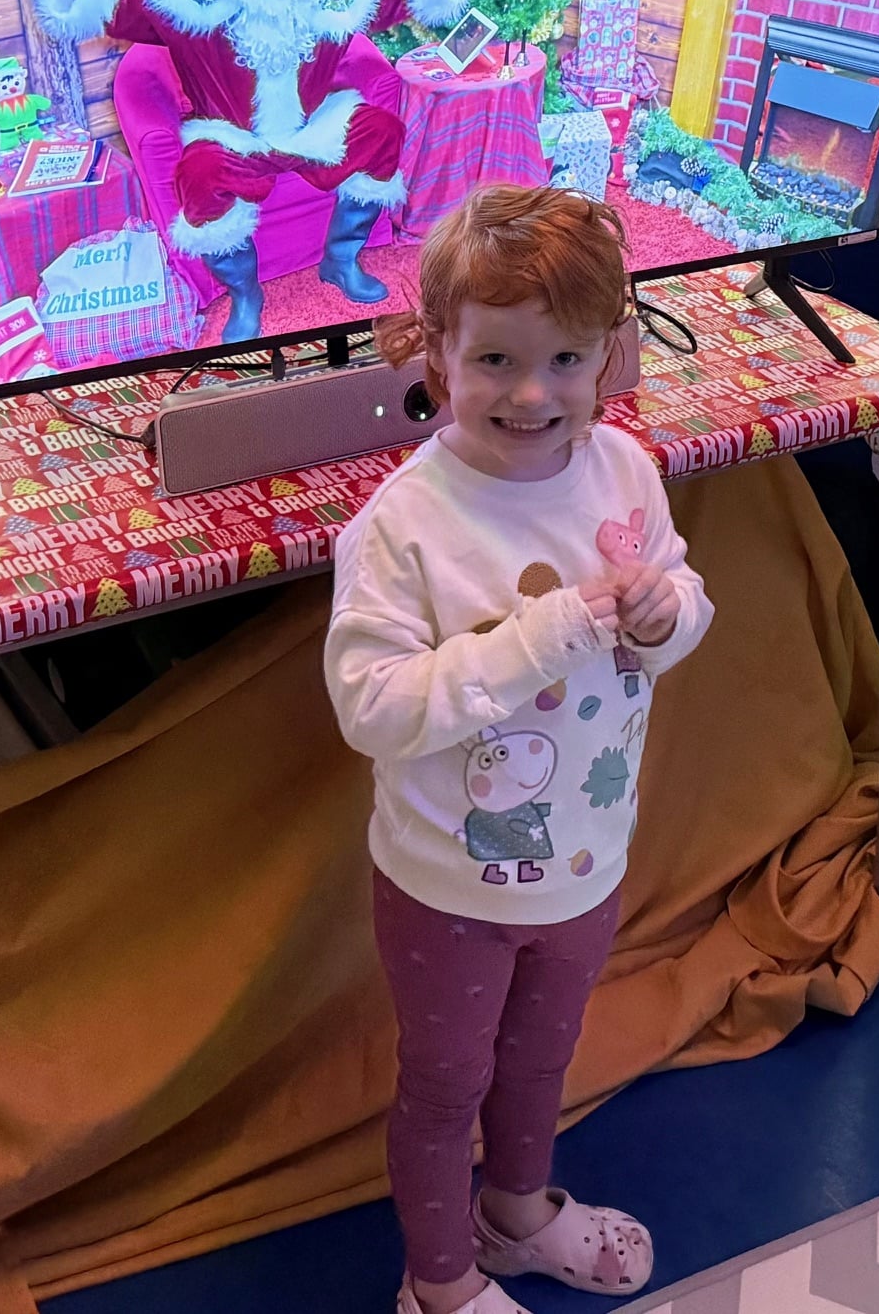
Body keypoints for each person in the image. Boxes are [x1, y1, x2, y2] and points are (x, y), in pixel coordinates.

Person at [325, 186, 713, 1314]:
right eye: (495, 357)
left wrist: (664, 615)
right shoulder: (403, 524)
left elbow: (683, 596)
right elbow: (372, 705)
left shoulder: (625, 473)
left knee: (541, 1064)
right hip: (447, 880)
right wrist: (537, 638)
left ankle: (515, 1214)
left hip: (586, 860)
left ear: (609, 358)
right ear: (436, 356)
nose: (532, 392)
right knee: (447, 1086)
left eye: (565, 359)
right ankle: (438, 1284)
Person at [33, 0, 471, 340]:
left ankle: (341, 259)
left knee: (382, 134)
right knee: (198, 176)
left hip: (314, 127)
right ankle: (245, 293)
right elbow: (113, 7)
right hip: (230, 137)